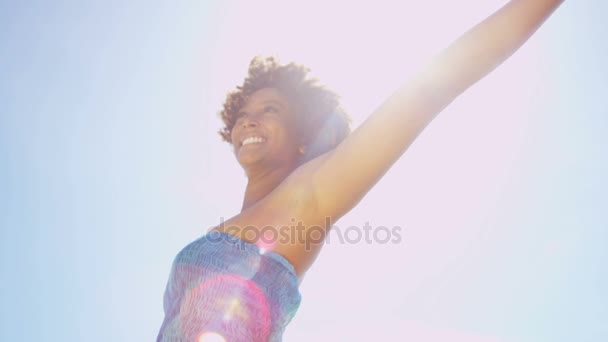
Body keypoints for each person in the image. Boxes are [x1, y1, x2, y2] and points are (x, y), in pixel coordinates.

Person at [157, 1, 564, 341]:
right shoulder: (226, 227)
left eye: (270, 111)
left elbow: (432, 88)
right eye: (243, 115)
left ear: (302, 136)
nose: (249, 121)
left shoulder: (310, 194)